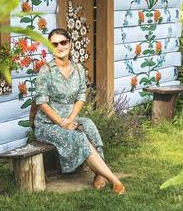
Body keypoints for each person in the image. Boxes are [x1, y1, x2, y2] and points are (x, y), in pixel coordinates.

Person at [33, 28, 126, 194]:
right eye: (55, 44)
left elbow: (81, 97)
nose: (60, 47)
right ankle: (113, 179)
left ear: (70, 43)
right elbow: (42, 103)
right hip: (47, 124)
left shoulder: (79, 69)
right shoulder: (46, 71)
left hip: (68, 118)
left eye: (63, 42)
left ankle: (99, 174)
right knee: (78, 136)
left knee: (89, 125)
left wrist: (70, 119)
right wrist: (62, 123)